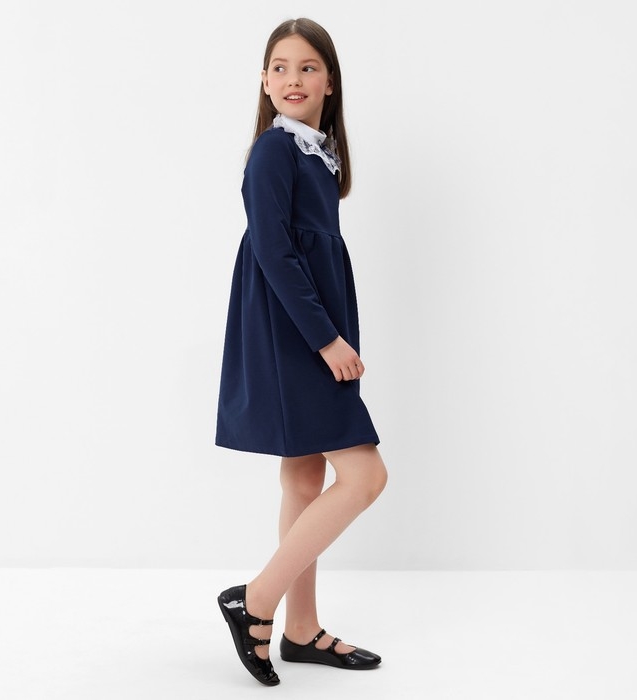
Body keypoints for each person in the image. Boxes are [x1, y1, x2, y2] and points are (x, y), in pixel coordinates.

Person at [215, 17, 388, 687]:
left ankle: (301, 628)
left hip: (308, 325)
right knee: (365, 477)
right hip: (294, 335)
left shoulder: (316, 153)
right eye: (281, 67)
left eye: (308, 67)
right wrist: (326, 338)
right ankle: (256, 602)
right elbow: (273, 252)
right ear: (264, 81)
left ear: (330, 83)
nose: (293, 78)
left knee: (305, 480)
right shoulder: (274, 151)